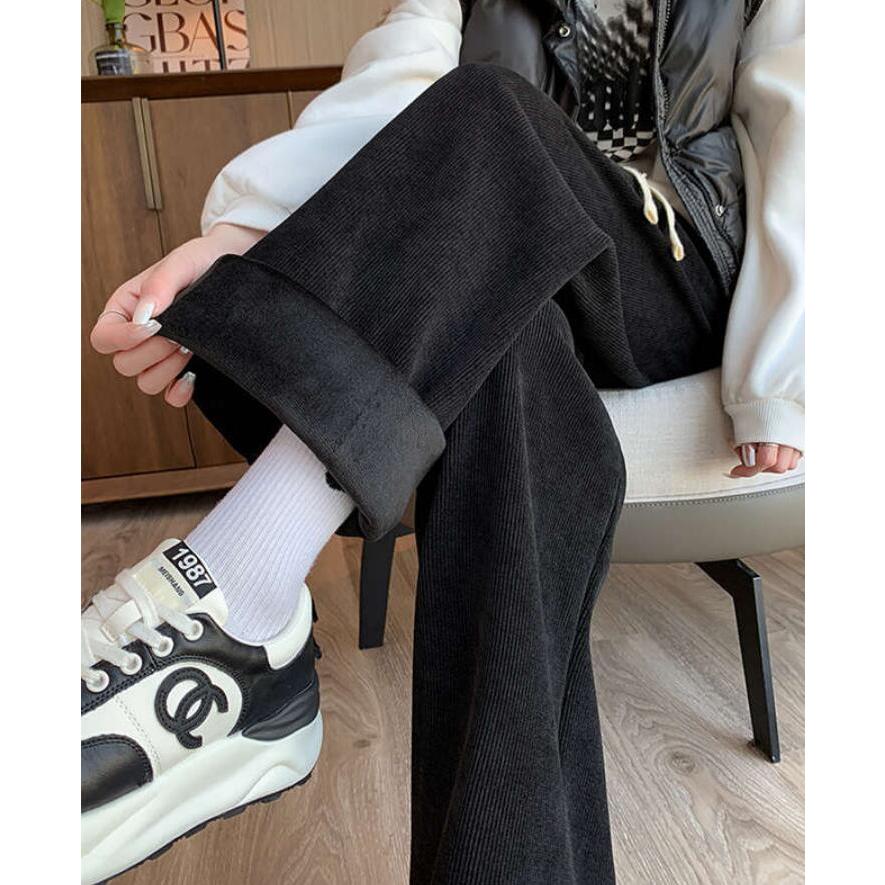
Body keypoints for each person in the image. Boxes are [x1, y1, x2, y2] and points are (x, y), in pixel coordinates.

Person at [81, 1, 804, 883]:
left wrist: (780, 373)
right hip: (510, 263)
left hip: (675, 265)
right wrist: (238, 235)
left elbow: (803, 131)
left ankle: (237, 601)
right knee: (505, 348)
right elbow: (388, 93)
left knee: (491, 104)